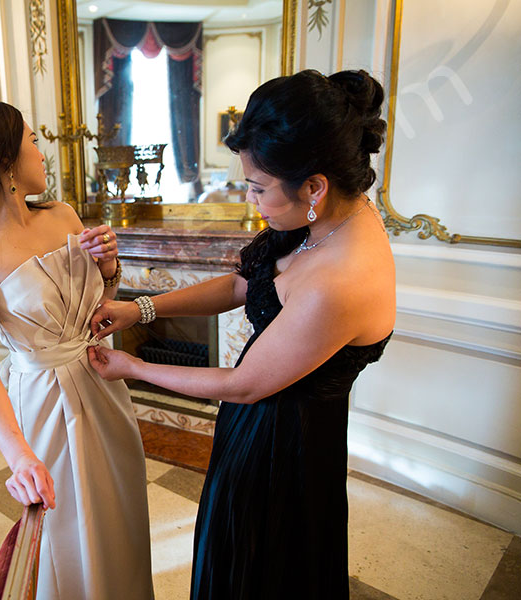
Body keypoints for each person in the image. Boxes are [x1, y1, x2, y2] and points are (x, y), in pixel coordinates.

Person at [86, 69, 395, 598]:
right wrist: (141, 309)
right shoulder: (321, 219)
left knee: (262, 566)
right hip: (259, 425)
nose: (251, 199)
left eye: (257, 188)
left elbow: (246, 382)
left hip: (285, 450)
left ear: (314, 186)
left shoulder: (340, 279)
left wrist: (133, 368)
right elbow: (241, 285)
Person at [0, 102, 154, 599]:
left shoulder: (63, 214)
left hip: (104, 383)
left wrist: (109, 266)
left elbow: (99, 307)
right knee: (69, 532)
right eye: (33, 140)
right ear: (6, 162)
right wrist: (17, 456)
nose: (42, 151)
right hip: (45, 400)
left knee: (120, 514)